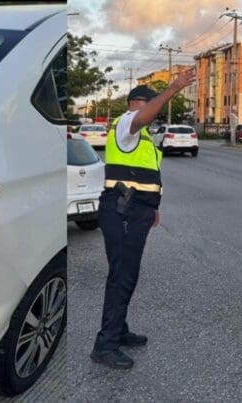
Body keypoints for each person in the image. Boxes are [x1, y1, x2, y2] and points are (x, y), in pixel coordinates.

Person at [90, 69, 197, 369]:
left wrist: (153, 207)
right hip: (123, 211)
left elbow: (144, 177)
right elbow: (142, 117)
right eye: (152, 105)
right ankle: (105, 345)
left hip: (135, 209)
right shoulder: (128, 123)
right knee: (122, 277)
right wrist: (173, 88)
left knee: (124, 273)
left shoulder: (141, 137)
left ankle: (118, 330)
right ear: (137, 103)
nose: (156, 112)